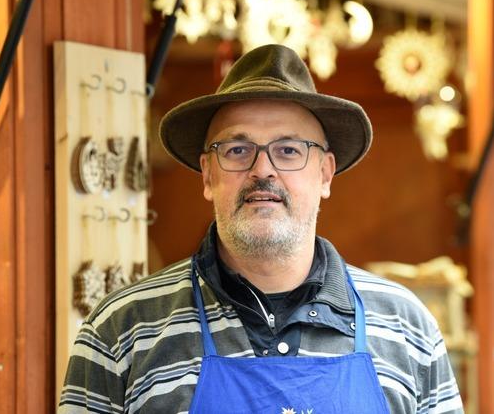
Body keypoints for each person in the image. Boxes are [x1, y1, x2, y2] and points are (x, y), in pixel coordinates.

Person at [59, 44, 464, 413]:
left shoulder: (407, 327)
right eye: (238, 150)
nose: (263, 170)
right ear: (207, 174)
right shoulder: (122, 329)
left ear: (324, 174)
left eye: (289, 150)